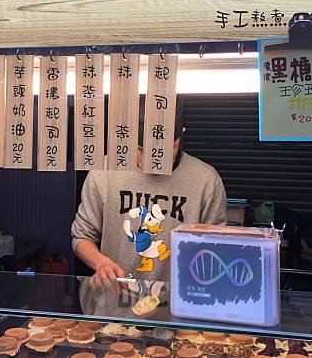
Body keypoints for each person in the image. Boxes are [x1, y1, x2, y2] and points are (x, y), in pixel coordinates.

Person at [71, 96, 227, 283]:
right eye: (142, 149)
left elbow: (216, 248)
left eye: (165, 149)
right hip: (114, 297)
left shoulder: (206, 180)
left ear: (181, 133)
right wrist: (100, 263)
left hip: (177, 298)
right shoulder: (104, 171)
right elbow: (82, 237)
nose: (152, 159)